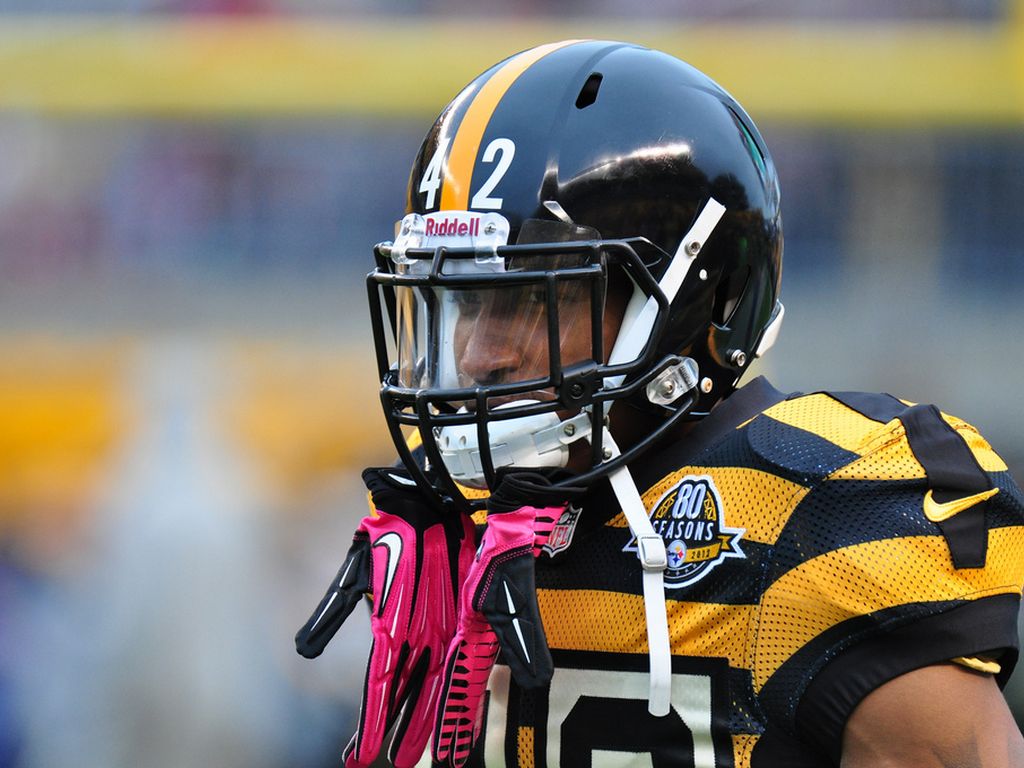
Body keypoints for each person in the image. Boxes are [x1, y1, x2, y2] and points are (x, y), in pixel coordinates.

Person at [296, 39, 1024, 767]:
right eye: (464, 303)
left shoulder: (819, 510)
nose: (482, 353)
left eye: (528, 302)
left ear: (696, 301)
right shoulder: (444, 528)